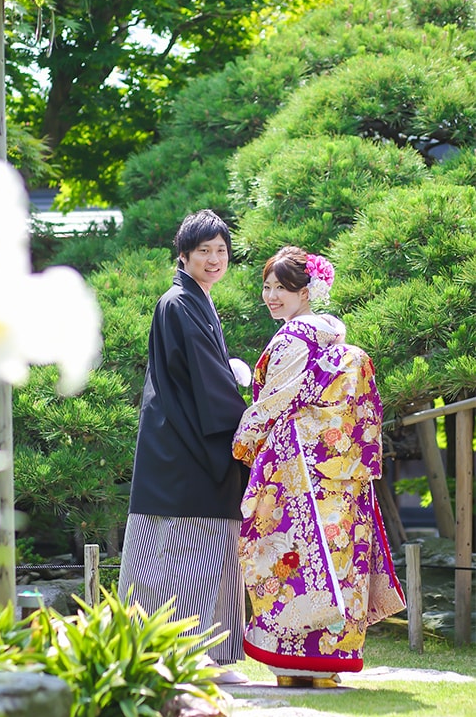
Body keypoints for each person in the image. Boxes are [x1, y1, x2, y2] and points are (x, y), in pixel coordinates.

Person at [232, 246, 405, 688]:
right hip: (338, 473)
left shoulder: (292, 339)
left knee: (286, 555)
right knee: (338, 556)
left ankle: (291, 667)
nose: (272, 296)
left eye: (283, 289)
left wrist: (243, 440)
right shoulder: (337, 343)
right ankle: (329, 663)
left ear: (306, 292)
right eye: (267, 287)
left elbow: (272, 404)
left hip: (295, 471)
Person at [118, 209, 251, 685]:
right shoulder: (179, 302)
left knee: (207, 552)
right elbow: (203, 378)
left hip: (187, 438)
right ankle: (185, 656)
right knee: (182, 553)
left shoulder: (195, 301)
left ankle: (206, 656)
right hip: (185, 447)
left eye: (221, 251)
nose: (215, 260)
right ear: (184, 255)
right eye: (205, 252)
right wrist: (249, 423)